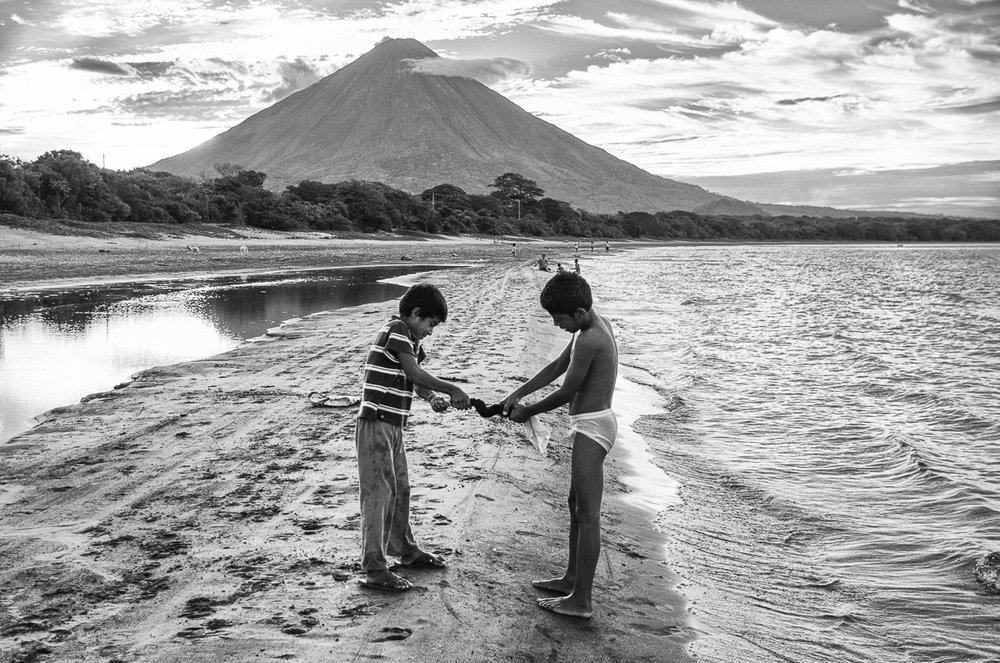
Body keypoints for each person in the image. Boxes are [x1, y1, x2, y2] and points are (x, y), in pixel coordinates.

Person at [503, 272, 619, 619]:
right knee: (575, 506)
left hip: (594, 428)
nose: (556, 324)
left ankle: (582, 600)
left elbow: (568, 391)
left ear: (580, 312)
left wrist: (528, 411)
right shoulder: (590, 327)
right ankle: (571, 578)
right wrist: (519, 392)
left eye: (560, 319)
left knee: (589, 516)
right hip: (588, 424)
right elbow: (557, 366)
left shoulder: (589, 338)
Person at [355, 283, 470, 592]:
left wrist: (432, 398)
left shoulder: (412, 339)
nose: (431, 331)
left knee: (400, 489)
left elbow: (416, 381)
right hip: (376, 421)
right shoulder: (397, 330)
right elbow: (415, 373)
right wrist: (452, 388)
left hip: (393, 425)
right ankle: (374, 568)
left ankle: (404, 550)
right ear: (416, 314)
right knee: (379, 494)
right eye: (430, 324)